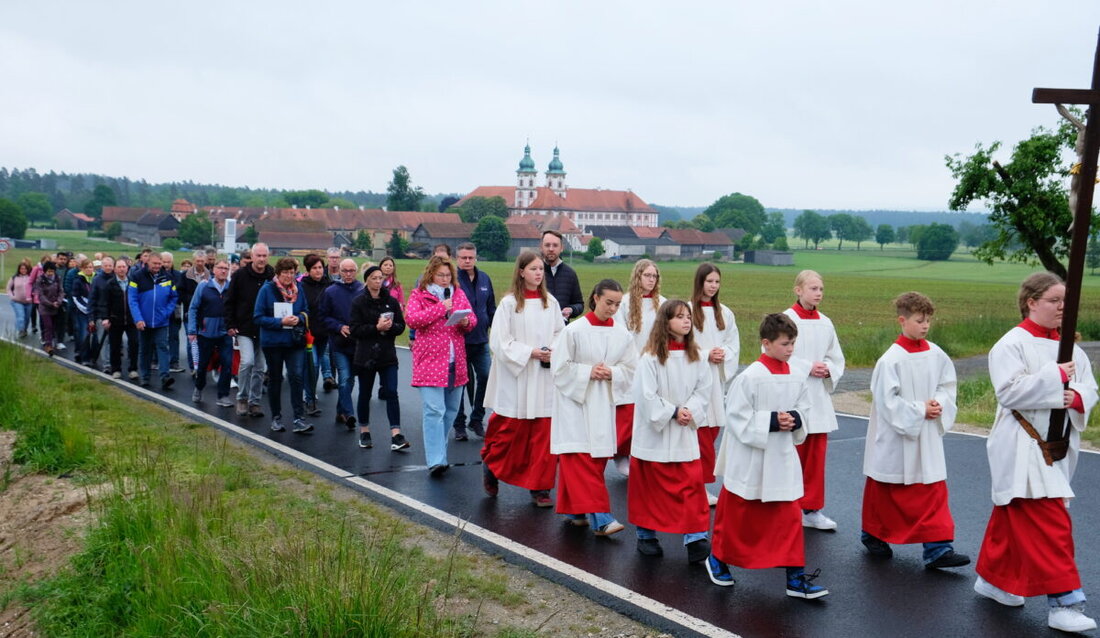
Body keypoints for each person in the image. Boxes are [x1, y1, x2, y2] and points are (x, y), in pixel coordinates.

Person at [973, 273, 1099, 633]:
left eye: (1066, 301)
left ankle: (994, 580)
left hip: (1056, 446)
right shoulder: (1010, 344)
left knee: (1012, 515)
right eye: (1054, 301)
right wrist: (1053, 377)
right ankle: (1064, 602)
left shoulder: (1071, 348)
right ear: (1031, 301)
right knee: (1051, 523)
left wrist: (1076, 397)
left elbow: (1088, 387)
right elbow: (1008, 392)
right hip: (1022, 445)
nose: (1063, 308)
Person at [706, 313, 829, 600]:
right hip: (751, 460)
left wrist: (795, 420)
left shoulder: (797, 376)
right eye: (785, 343)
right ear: (766, 343)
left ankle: (795, 578)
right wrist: (773, 421)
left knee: (788, 519)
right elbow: (736, 417)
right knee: (739, 519)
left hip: (782, 458)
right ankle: (717, 560)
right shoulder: (750, 377)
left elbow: (805, 408)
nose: (790, 349)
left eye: (793, 343)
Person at [860, 292, 969, 570]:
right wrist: (921, 410)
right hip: (897, 435)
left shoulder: (936, 353)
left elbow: (947, 385)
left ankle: (938, 549)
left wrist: (939, 404)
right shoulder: (891, 359)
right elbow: (886, 401)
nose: (925, 326)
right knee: (887, 488)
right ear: (902, 320)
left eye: (928, 320)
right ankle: (873, 534)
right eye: (920, 320)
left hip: (927, 434)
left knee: (933, 490)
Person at [628, 299, 712, 560]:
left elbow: (704, 389)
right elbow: (645, 396)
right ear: (666, 322)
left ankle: (696, 538)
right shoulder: (650, 358)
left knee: (691, 486)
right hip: (656, 433)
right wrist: (673, 412)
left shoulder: (696, 356)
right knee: (650, 489)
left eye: (688, 316)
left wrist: (691, 410)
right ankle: (646, 536)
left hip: (684, 432)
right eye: (679, 317)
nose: (686, 320)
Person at [552, 279, 636, 536]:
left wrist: (611, 372)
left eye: (617, 304)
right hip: (575, 404)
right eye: (608, 302)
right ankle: (602, 517)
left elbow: (632, 368)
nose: (612, 308)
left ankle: (575, 511)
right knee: (579, 458)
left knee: (596, 458)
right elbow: (560, 368)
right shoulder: (574, 331)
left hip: (603, 403)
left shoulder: (622, 334)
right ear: (595, 298)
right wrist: (589, 372)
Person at [480, 252, 562, 504]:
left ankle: (540, 487)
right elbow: (500, 341)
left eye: (541, 269)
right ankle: (492, 466)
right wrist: (530, 353)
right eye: (533, 269)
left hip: (543, 378)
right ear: (521, 272)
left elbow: (561, 333)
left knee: (543, 435)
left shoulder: (551, 302)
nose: (538, 273)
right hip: (517, 376)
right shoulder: (509, 304)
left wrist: (553, 352)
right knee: (508, 431)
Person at [781, 270, 846, 531]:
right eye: (813, 288)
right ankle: (786, 506)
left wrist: (828, 368)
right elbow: (773, 350)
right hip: (794, 394)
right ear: (798, 290)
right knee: (792, 453)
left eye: (821, 289)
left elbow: (836, 356)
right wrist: (807, 366)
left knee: (816, 457)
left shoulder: (826, 322)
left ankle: (811, 509)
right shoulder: (786, 319)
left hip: (818, 397)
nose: (818, 293)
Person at [405, 255, 476, 476]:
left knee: (450, 411)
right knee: (434, 411)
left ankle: (441, 456)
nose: (445, 279)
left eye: (448, 275)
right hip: (430, 362)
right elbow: (412, 320)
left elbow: (472, 319)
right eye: (441, 275)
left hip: (456, 362)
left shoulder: (459, 293)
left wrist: (465, 321)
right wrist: (440, 308)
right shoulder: (419, 295)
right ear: (431, 274)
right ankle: (435, 460)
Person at [611, 258, 667, 475]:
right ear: (638, 276)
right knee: (628, 415)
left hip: (655, 364)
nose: (651, 280)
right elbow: (620, 334)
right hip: (631, 365)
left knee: (651, 413)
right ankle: (621, 454)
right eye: (647, 275)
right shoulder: (624, 304)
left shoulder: (662, 303)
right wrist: (636, 359)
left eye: (655, 276)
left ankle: (645, 456)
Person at [690, 262, 739, 504]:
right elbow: (681, 344)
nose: (713, 286)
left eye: (717, 282)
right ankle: (698, 483)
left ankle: (699, 482)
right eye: (709, 281)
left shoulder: (725, 313)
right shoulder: (687, 311)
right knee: (698, 432)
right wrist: (705, 354)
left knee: (712, 430)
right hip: (694, 380)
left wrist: (724, 354)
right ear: (700, 282)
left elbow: (733, 343)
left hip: (715, 380)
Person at [349, 264, 409, 451]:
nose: (377, 281)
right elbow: (354, 329)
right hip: (366, 355)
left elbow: (401, 325)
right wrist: (376, 328)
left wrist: (390, 327)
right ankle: (364, 431)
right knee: (365, 393)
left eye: (380, 278)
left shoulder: (390, 301)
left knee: (391, 391)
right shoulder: (358, 302)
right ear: (366, 280)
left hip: (387, 355)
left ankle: (396, 434)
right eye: (374, 278)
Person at [253, 257, 313, 434]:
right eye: (285, 273)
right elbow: (258, 317)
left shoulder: (299, 289)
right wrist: (280, 322)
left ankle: (298, 418)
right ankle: (276, 417)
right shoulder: (267, 290)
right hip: (273, 342)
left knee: (296, 377)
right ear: (278, 274)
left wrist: (299, 318)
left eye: (292, 273)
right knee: (276, 379)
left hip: (294, 341)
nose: (288, 276)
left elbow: (306, 311)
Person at [453, 242, 496, 440]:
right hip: (459, 340)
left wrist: (495, 328)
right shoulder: (453, 280)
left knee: (487, 376)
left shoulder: (485, 278)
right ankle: (459, 423)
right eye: (463, 257)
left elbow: (491, 308)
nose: (467, 261)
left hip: (481, 340)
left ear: (476, 257)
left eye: (471, 257)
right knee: (459, 384)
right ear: (457, 258)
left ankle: (477, 418)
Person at [225, 243, 272, 417]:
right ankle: (242, 398)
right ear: (251, 256)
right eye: (258, 255)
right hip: (243, 327)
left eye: (264, 256)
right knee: (247, 362)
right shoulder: (240, 276)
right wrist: (230, 324)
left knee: (260, 367)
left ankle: (255, 401)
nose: (261, 259)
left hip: (264, 328)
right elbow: (229, 301)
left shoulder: (271, 275)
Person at [319, 258, 365, 429]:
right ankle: (349, 413)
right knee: (344, 377)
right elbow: (323, 316)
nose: (348, 274)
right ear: (339, 271)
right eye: (344, 271)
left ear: (356, 271)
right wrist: (338, 327)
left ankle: (340, 410)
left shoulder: (363, 290)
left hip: (358, 344)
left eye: (351, 270)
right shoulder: (331, 291)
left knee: (350, 380)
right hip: (339, 343)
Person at [188, 259, 235, 407]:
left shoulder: (231, 288)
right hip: (206, 332)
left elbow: (236, 309)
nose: (223, 271)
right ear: (214, 270)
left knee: (227, 364)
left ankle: (223, 395)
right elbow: (193, 308)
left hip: (225, 332)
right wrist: (192, 330)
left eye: (226, 269)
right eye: (220, 268)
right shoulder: (204, 286)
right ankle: (199, 387)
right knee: (203, 365)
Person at [128, 252, 178, 390]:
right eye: (154, 263)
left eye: (159, 263)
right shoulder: (136, 276)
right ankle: (145, 377)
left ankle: (165, 377)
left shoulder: (168, 277)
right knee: (145, 349)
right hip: (143, 321)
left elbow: (174, 297)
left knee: (162, 347)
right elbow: (132, 299)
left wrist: (167, 313)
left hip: (161, 321)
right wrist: (138, 318)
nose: (157, 266)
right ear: (147, 263)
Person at [299, 254, 333, 417]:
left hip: (324, 333)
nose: (318, 271)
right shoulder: (302, 286)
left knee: (317, 363)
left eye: (320, 267)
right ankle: (309, 397)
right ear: (308, 270)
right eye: (314, 268)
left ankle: (310, 391)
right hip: (309, 333)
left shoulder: (330, 285)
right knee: (311, 364)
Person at [97, 257, 139, 380]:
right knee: (115, 345)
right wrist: (105, 318)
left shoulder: (133, 282)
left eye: (124, 267)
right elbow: (104, 302)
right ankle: (116, 369)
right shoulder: (109, 284)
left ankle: (133, 369)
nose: (121, 269)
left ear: (127, 268)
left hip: (131, 320)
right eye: (119, 267)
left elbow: (138, 300)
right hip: (115, 319)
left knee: (134, 344)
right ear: (115, 269)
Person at [540, 230, 584, 323]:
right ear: (541, 247)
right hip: (538, 330)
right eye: (547, 245)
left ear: (562, 248)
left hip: (562, 332)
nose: (551, 249)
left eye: (555, 245)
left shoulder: (570, 274)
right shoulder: (533, 272)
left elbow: (579, 304)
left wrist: (572, 309)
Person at [180, 251, 211, 372]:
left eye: (202, 261)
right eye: (198, 261)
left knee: (205, 342)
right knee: (191, 341)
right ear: (194, 261)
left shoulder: (211, 276)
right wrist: (194, 299)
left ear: (206, 261)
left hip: (206, 314)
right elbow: (180, 293)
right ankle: (193, 367)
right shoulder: (185, 276)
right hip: (190, 313)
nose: (200, 263)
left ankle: (203, 366)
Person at [87, 255, 115, 371]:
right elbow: (92, 299)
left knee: (114, 341)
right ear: (102, 266)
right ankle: (106, 364)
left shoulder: (117, 278)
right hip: (100, 314)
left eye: (110, 265)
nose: (108, 268)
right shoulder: (97, 279)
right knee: (103, 340)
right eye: (106, 266)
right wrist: (91, 317)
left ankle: (114, 362)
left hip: (115, 314)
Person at [160, 252, 186, 374]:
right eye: (164, 262)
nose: (166, 264)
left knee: (174, 336)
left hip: (174, 310)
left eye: (168, 262)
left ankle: (174, 362)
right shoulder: (156, 275)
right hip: (159, 310)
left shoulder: (178, 275)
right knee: (160, 337)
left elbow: (180, 292)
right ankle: (158, 361)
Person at [33, 261, 63, 356]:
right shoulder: (40, 280)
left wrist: (59, 301)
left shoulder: (57, 279)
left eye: (52, 271)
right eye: (49, 271)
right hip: (45, 308)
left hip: (56, 306)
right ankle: (48, 345)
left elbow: (61, 291)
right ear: (45, 271)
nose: (50, 273)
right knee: (48, 326)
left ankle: (51, 341)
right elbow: (41, 295)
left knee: (54, 326)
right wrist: (50, 304)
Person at [70, 259, 96, 365]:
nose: (89, 269)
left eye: (91, 267)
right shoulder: (78, 280)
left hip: (95, 311)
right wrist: (87, 308)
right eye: (87, 267)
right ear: (82, 269)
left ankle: (93, 356)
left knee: (95, 335)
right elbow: (76, 297)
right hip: (82, 312)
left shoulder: (96, 279)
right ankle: (84, 357)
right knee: (84, 334)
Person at [7, 260, 33, 338]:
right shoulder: (14, 278)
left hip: (28, 302)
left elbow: (35, 288)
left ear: (27, 269)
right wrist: (12, 296)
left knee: (27, 317)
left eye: (25, 269)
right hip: (17, 301)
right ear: (19, 269)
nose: (23, 270)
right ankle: (21, 330)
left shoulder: (31, 277)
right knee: (21, 316)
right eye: (21, 269)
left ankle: (24, 329)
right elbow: (8, 288)